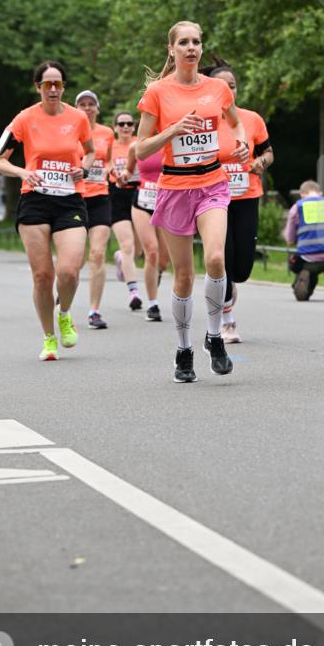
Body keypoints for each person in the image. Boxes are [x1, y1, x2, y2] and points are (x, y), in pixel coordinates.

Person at [136, 20, 249, 383]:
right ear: (171, 49)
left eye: (196, 42)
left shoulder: (217, 88)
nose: (191, 48)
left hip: (213, 183)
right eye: (183, 42)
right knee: (183, 275)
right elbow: (140, 150)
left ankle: (214, 337)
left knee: (216, 258)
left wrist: (243, 140)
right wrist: (171, 130)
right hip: (174, 188)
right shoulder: (157, 92)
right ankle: (183, 349)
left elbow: (235, 121)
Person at [0, 60, 94, 360]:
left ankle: (64, 312)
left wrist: (83, 170)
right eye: (47, 84)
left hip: (69, 200)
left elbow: (89, 153)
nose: (53, 89)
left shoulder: (77, 119)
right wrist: (23, 172)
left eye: (58, 84)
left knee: (69, 271)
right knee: (42, 276)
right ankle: (49, 337)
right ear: (38, 87)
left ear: (64, 87)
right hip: (35, 200)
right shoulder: (24, 119)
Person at [202, 59, 274, 344]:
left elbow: (269, 152)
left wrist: (260, 162)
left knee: (242, 266)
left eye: (232, 85)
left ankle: (228, 299)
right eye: (222, 86)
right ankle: (226, 320)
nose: (228, 90)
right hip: (212, 198)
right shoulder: (203, 120)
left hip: (246, 196)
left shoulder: (252, 119)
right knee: (223, 258)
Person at [75, 89, 114, 329]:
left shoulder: (107, 133)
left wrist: (108, 169)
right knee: (75, 259)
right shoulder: (69, 132)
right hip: (76, 198)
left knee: (97, 254)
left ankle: (94, 311)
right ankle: (64, 290)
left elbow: (107, 159)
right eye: (82, 104)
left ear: (97, 108)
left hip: (100, 198)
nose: (87, 108)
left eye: (91, 104)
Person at [284, 180, 324, 301]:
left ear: (302, 194)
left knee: (297, 261)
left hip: (309, 258)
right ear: (320, 193)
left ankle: (304, 276)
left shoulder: (298, 207)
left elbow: (290, 239)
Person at [128, 142, 170, 321]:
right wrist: (124, 175)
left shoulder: (170, 143)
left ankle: (157, 273)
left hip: (167, 203)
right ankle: (153, 305)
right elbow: (129, 171)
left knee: (163, 260)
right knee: (151, 251)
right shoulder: (136, 146)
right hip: (142, 202)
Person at [109, 111, 142, 311]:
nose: (126, 127)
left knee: (137, 250)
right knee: (128, 244)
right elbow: (104, 165)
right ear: (115, 127)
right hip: (117, 194)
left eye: (129, 123)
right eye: (121, 124)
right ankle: (134, 293)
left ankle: (121, 258)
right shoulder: (109, 147)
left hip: (139, 193)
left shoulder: (140, 144)